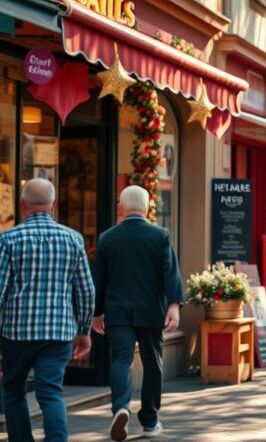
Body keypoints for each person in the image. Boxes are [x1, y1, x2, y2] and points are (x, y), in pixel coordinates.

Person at [0, 179, 95, 442]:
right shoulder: (73, 239)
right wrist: (84, 330)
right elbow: (86, 290)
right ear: (53, 205)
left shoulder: (7, 240)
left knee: (13, 390)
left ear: (22, 205)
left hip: (15, 333)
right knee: (51, 392)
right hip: (58, 332)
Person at [92, 186, 185, 441]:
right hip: (151, 310)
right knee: (153, 362)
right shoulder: (160, 235)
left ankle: (120, 407)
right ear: (147, 208)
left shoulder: (107, 238)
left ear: (121, 207)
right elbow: (170, 272)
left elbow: (99, 280)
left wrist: (97, 313)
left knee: (121, 359)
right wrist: (174, 305)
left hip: (118, 311)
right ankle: (149, 421)